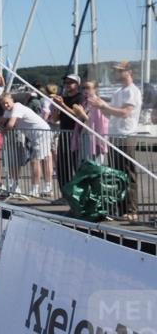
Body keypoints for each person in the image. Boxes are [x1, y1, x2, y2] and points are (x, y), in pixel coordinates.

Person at [88, 60, 142, 220]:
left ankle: (131, 210)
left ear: (129, 72)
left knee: (127, 172)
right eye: (116, 71)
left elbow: (125, 112)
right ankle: (120, 208)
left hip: (126, 135)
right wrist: (99, 106)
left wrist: (103, 106)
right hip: (115, 135)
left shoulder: (132, 91)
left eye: (120, 71)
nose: (116, 73)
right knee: (117, 174)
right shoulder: (119, 91)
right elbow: (111, 113)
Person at [0, 93, 52, 197]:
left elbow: (10, 124)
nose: (6, 105)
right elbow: (1, 122)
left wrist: (3, 131)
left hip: (41, 133)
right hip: (36, 134)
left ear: (12, 100)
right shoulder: (8, 111)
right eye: (3, 104)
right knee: (45, 158)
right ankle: (47, 187)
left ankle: (35, 189)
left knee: (35, 161)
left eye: (7, 103)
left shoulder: (17, 107)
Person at [50, 74, 83, 195]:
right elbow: (54, 119)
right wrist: (55, 107)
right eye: (66, 83)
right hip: (64, 135)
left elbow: (77, 114)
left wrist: (62, 105)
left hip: (75, 135)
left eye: (71, 82)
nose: (68, 85)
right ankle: (65, 194)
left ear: (77, 84)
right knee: (62, 166)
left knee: (75, 165)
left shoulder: (80, 98)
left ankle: (76, 194)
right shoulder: (63, 98)